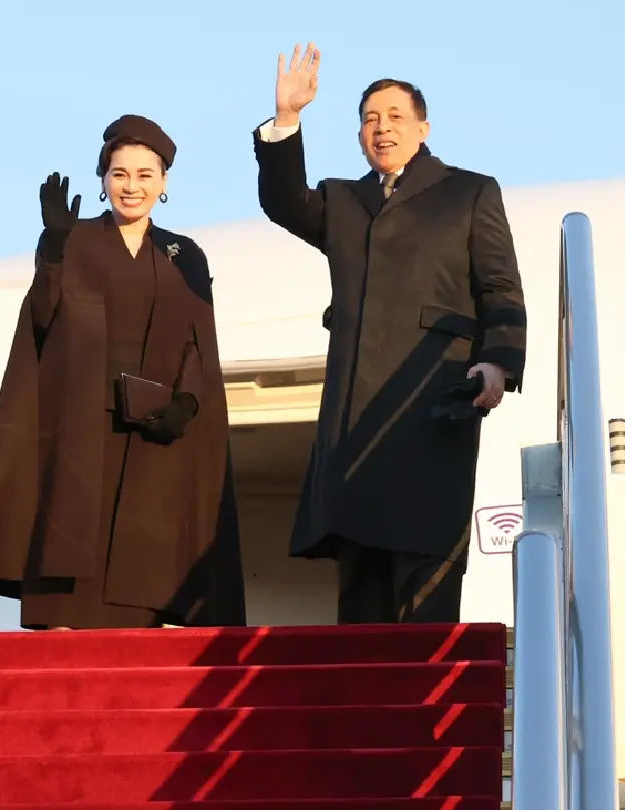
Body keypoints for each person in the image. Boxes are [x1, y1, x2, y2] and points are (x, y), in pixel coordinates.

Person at [252, 44, 528, 625]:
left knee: (426, 568)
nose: (382, 128)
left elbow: (500, 286)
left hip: (433, 394)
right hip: (355, 406)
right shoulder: (343, 201)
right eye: (370, 119)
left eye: (395, 117)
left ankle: (427, 707)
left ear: (423, 128)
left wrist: (497, 361)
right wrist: (287, 120)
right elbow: (282, 202)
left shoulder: (469, 192)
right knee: (361, 581)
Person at [0, 114, 246, 630]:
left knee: (142, 562)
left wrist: (187, 403)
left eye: (144, 175)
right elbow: (41, 318)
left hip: (154, 426)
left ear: (164, 182)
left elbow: (201, 342)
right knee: (72, 548)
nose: (131, 186)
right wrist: (55, 251)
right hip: (82, 420)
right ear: (104, 178)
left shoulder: (185, 255)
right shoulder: (76, 239)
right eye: (120, 174)